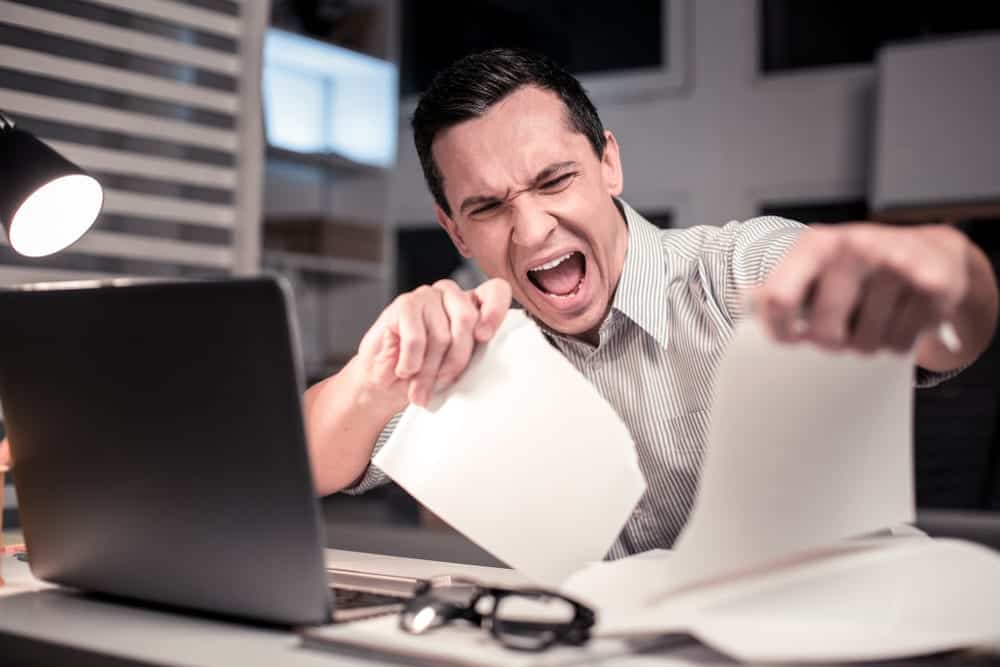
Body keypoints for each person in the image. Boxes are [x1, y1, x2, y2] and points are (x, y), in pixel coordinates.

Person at [2, 49, 997, 555]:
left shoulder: (736, 266)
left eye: (553, 181)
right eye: (487, 206)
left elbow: (945, 326)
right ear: (454, 228)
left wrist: (949, 268)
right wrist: (375, 375)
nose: (530, 234)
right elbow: (291, 462)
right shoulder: (471, 334)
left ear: (608, 162)